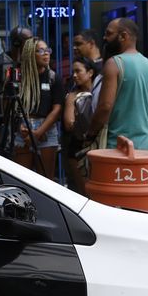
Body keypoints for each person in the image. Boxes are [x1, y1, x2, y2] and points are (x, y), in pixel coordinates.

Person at [85, 18, 148, 155]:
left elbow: (105, 106)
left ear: (123, 36)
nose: (105, 38)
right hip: (146, 147)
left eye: (109, 33)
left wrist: (90, 134)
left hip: (118, 147)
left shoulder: (114, 63)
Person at [13, 38, 65, 177]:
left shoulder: (54, 77)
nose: (46, 54)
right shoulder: (18, 77)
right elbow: (10, 106)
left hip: (46, 129)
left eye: (47, 50)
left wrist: (38, 133)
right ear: (30, 53)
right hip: (22, 129)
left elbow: (57, 109)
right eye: (41, 51)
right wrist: (21, 128)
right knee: (22, 178)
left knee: (46, 180)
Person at [61, 56, 99, 195]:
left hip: (99, 146)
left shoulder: (100, 92)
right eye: (73, 72)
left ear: (90, 73)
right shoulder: (72, 96)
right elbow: (68, 123)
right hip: (78, 147)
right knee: (84, 193)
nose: (74, 75)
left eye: (78, 71)